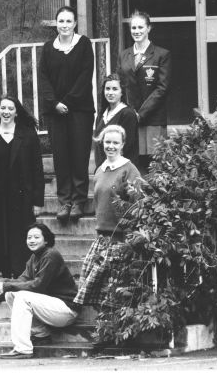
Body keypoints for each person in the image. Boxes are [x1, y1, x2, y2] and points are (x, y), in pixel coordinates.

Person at [0, 95, 44, 285]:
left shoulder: (28, 134)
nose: (6, 112)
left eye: (10, 109)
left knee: (21, 239)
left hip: (22, 198)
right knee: (0, 241)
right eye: (3, 108)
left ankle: (22, 281)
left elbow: (37, 169)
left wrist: (38, 201)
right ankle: (5, 283)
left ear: (16, 112)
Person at [73, 125, 141, 309]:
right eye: (107, 142)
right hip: (102, 238)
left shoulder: (129, 169)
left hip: (121, 239)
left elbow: (139, 202)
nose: (111, 146)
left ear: (122, 144)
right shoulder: (100, 170)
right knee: (94, 287)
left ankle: (118, 335)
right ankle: (104, 332)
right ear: (102, 143)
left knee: (116, 293)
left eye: (115, 143)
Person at [39, 5, 95, 221]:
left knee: (79, 155)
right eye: (60, 21)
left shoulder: (83, 44)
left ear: (75, 24)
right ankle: (65, 202)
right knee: (61, 156)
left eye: (68, 21)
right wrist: (54, 104)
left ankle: (79, 201)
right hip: (55, 112)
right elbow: (43, 78)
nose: (64, 25)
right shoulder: (47, 48)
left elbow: (85, 75)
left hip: (79, 109)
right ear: (57, 24)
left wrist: (68, 102)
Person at [0, 223, 80, 359]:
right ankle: (41, 334)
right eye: (29, 237)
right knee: (11, 295)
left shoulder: (51, 255)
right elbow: (22, 279)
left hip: (66, 310)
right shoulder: (35, 257)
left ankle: (23, 349)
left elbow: (38, 286)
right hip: (51, 308)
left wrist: (7, 285)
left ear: (46, 240)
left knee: (21, 297)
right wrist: (5, 284)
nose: (32, 240)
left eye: (36, 237)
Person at [117, 10, 171, 174]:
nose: (137, 31)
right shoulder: (124, 55)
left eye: (140, 27)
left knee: (155, 166)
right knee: (133, 164)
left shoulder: (162, 55)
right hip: (130, 118)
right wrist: (128, 113)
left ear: (149, 28)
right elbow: (120, 85)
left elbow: (162, 88)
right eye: (133, 28)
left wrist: (140, 114)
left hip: (153, 119)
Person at [93, 73, 139, 170]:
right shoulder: (101, 115)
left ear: (122, 92)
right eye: (107, 89)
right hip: (102, 170)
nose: (110, 92)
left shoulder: (127, 114)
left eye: (115, 89)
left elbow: (127, 147)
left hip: (120, 171)